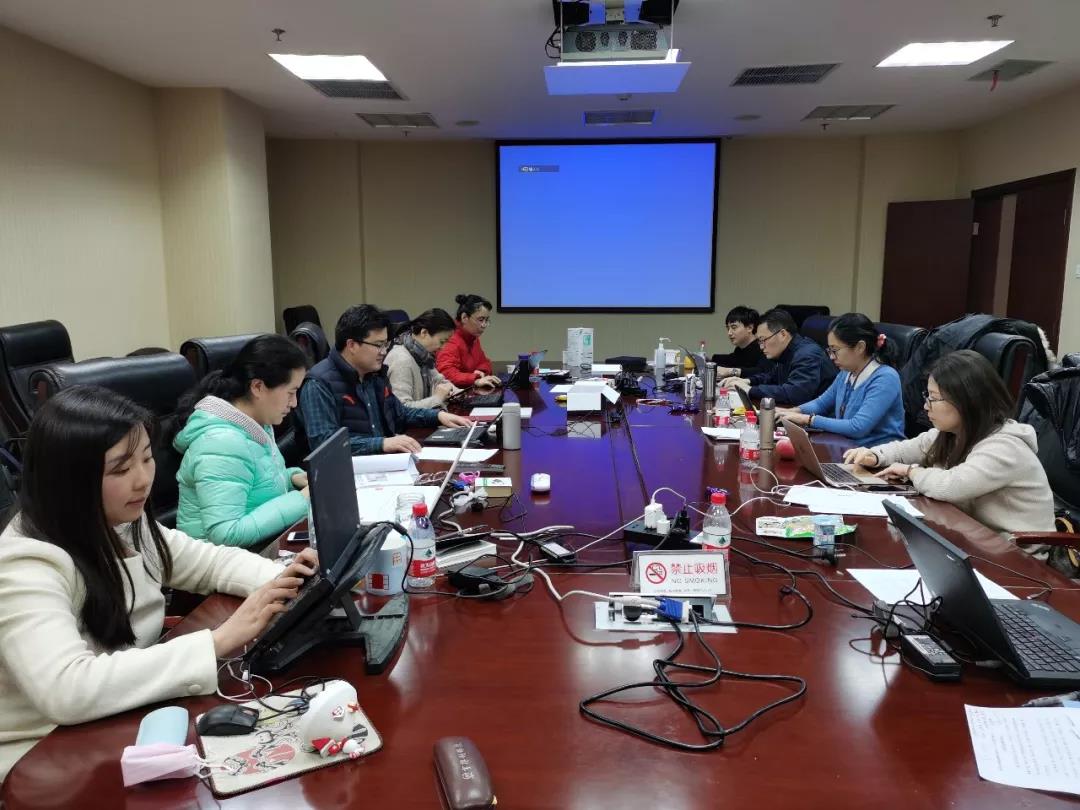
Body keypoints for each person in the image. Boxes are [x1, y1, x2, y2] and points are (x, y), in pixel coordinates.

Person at [0, 386, 318, 781]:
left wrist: (287, 581)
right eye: (120, 469)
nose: (143, 481)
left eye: (148, 459)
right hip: (48, 754)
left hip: (125, 711)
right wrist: (217, 641)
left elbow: (211, 562)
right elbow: (66, 689)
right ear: (68, 479)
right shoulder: (26, 562)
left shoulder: (120, 521)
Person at [845, 350, 1055, 537]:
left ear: (967, 401)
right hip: (974, 536)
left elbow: (951, 486)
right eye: (927, 396)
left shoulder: (1005, 447)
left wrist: (911, 472)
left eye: (934, 398)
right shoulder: (953, 433)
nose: (926, 406)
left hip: (1017, 553)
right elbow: (906, 449)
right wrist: (875, 456)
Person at [172, 334, 310, 549]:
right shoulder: (221, 442)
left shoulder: (255, 421)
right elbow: (226, 534)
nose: (294, 403)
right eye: (291, 392)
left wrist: (291, 477)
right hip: (218, 563)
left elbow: (254, 482)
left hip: (258, 547)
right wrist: (301, 500)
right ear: (258, 387)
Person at [296, 304, 472, 455]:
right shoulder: (318, 384)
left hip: (382, 464)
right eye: (378, 345)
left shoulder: (374, 374)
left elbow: (400, 413)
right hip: (348, 473)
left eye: (386, 344)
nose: (384, 351)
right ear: (352, 345)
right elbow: (325, 444)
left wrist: (438, 416)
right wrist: (382, 443)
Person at [777, 313, 905, 447]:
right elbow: (821, 403)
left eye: (835, 350)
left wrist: (808, 420)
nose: (831, 357)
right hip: (846, 448)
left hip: (877, 455)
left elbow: (857, 427)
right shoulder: (846, 372)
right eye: (830, 350)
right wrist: (792, 411)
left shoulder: (885, 377)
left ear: (860, 347)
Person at [721, 308, 836, 406]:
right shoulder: (786, 352)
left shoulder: (807, 354)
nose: (761, 346)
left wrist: (750, 390)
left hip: (819, 420)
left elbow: (794, 393)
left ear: (782, 334)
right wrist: (747, 381)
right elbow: (771, 377)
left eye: (763, 340)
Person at [385, 308, 460, 409]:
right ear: (424, 332)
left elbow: (439, 380)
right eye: (442, 341)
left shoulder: (422, 355)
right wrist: (437, 399)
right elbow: (402, 409)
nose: (443, 347)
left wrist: (461, 393)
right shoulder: (401, 361)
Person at [436, 293, 501, 389]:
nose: (484, 325)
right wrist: (475, 379)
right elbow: (446, 374)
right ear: (464, 318)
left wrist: (481, 373)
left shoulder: (472, 336)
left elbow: (484, 362)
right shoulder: (450, 339)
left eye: (486, 320)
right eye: (481, 319)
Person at [712, 306, 768, 379]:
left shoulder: (763, 347)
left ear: (750, 328)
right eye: (728, 328)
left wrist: (731, 371)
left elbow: (763, 371)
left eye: (734, 327)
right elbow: (730, 360)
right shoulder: (740, 349)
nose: (729, 333)